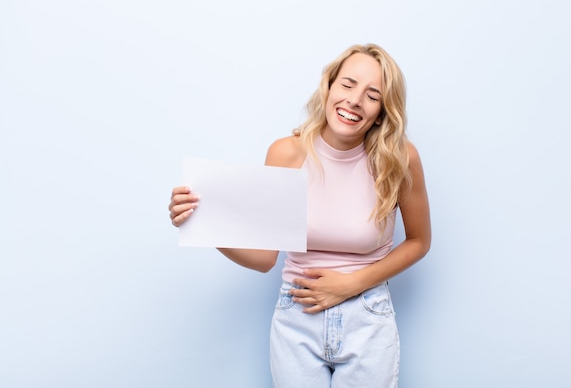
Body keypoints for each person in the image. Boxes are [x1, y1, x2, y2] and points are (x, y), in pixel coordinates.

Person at [168, 43, 431, 388]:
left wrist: (350, 284)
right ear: (329, 86)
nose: (354, 100)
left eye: (372, 95)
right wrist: (203, 224)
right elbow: (264, 258)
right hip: (297, 317)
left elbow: (419, 242)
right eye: (347, 85)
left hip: (367, 315)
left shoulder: (400, 158)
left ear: (382, 112)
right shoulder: (286, 153)